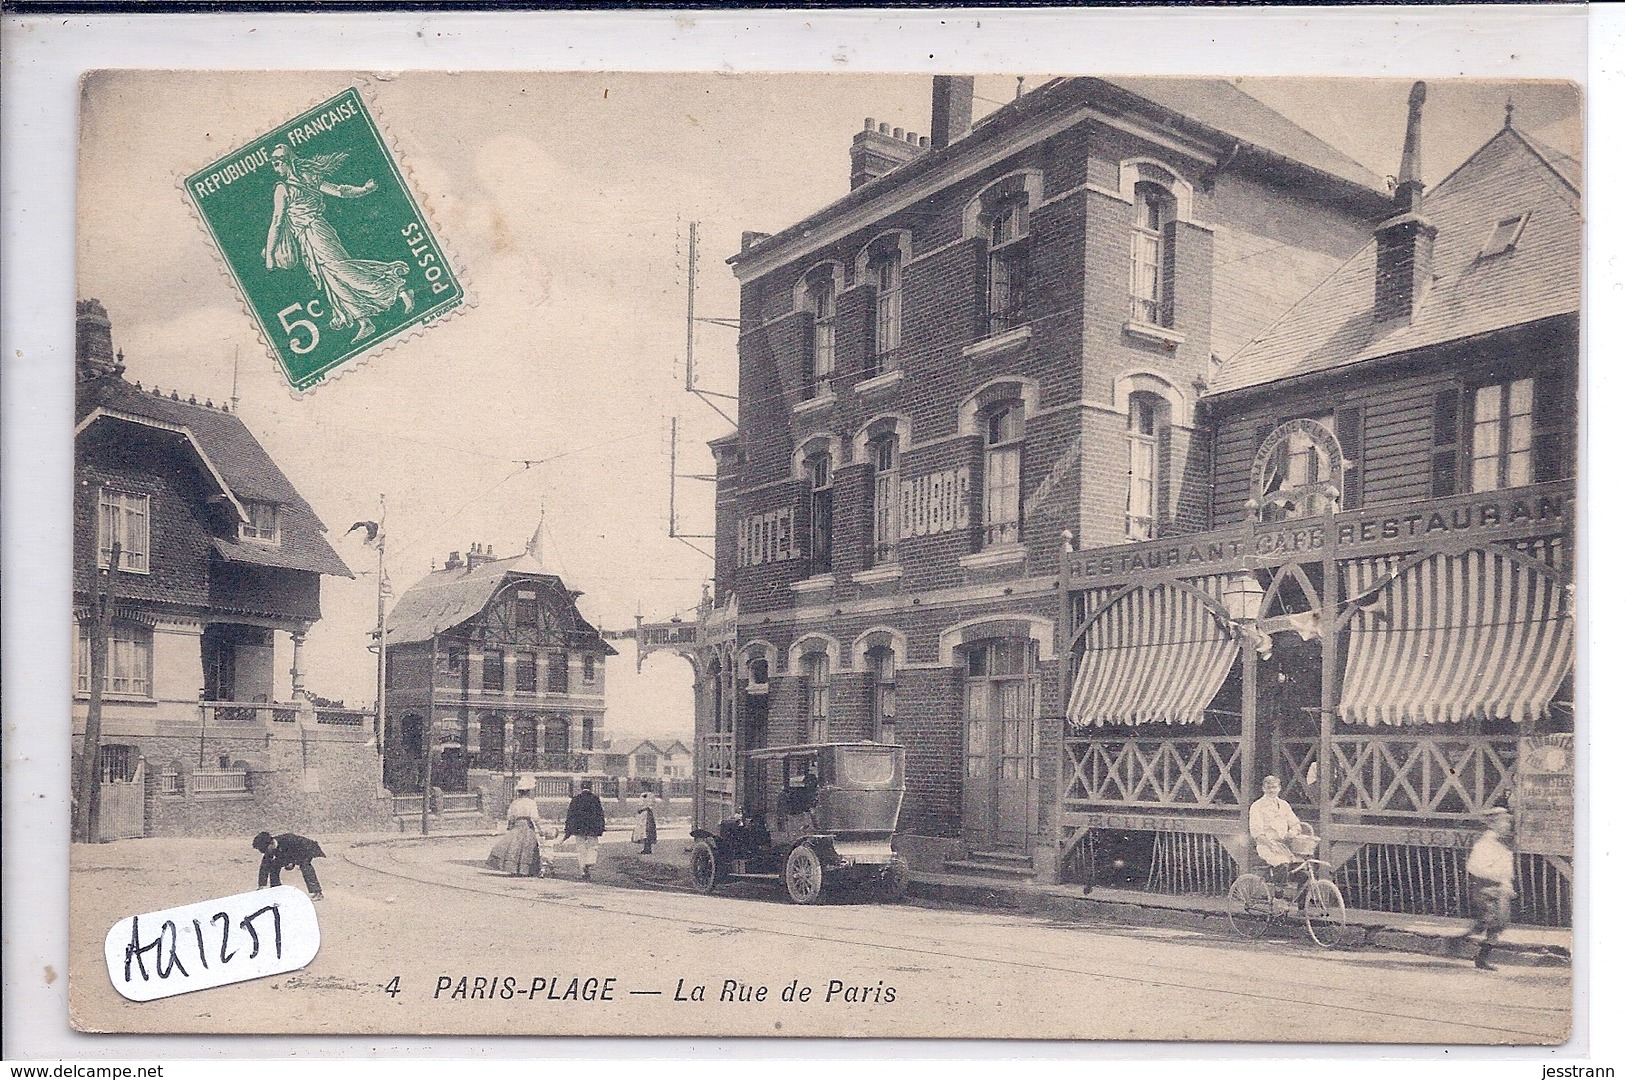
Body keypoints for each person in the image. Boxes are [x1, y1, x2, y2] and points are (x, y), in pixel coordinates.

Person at [262, 144, 414, 343]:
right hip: (306, 239)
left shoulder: (289, 186)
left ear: (289, 160)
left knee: (342, 271)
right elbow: (340, 192)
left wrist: (270, 256)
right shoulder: (299, 182)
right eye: (272, 162)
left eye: (277, 161)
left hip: (317, 232)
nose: (275, 166)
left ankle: (399, 288)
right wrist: (364, 189)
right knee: (330, 279)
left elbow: (278, 221)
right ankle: (364, 321)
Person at [1459, 806, 1516, 971]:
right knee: (1491, 921)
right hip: (1486, 888)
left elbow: (1506, 868)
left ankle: (1480, 956)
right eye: (1503, 822)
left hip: (1499, 888)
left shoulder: (1500, 842)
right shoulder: (1485, 844)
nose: (1507, 825)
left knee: (1498, 925)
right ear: (1492, 824)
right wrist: (1496, 877)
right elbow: (1474, 867)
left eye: (1507, 822)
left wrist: (1506, 884)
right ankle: (1464, 941)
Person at [1248, 775, 1306, 889]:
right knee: (1282, 865)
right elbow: (1257, 833)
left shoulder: (1284, 805)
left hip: (1284, 846)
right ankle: (1278, 898)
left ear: (1279, 788)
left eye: (1274, 787)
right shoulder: (1257, 806)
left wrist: (1293, 832)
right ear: (1263, 789)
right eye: (1268, 787)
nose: (1271, 790)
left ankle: (1302, 905)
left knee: (1304, 870)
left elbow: (1295, 823)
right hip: (1266, 846)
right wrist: (1270, 845)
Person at [487, 775, 546, 877]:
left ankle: (514, 869)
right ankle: (525, 870)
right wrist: (540, 830)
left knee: (514, 846)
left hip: (517, 825)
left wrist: (510, 827)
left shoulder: (515, 803)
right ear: (528, 792)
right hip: (527, 826)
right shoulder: (531, 803)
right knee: (528, 847)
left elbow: (510, 816)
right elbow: (535, 818)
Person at [252, 831, 326, 900]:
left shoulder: (289, 839)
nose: (263, 852)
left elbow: (300, 851)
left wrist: (291, 862)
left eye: (264, 849)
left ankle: (317, 892)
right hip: (288, 855)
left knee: (305, 865)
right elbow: (264, 866)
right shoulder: (269, 848)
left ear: (271, 843)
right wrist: (261, 885)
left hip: (307, 849)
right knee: (274, 866)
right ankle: (276, 890)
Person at [563, 780, 606, 880]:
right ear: (591, 788)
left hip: (579, 828)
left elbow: (571, 815)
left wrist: (568, 829)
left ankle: (583, 871)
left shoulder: (576, 799)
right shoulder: (595, 799)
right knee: (593, 846)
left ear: (581, 787)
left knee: (581, 849)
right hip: (592, 828)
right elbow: (600, 814)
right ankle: (589, 862)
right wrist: (601, 828)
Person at [631, 791, 659, 856]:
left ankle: (648, 848)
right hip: (643, 816)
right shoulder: (643, 794)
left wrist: (642, 809)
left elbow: (651, 805)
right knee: (643, 831)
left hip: (647, 815)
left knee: (647, 831)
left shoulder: (650, 795)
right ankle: (646, 848)